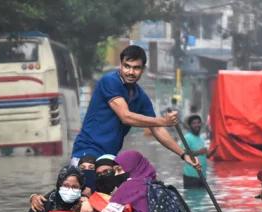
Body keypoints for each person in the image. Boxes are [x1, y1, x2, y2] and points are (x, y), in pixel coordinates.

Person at [70, 45, 200, 169]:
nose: (131, 72)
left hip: (109, 156)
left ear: (143, 70)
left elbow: (157, 129)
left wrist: (183, 154)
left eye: (136, 68)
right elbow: (125, 117)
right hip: (87, 151)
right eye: (127, 66)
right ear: (121, 65)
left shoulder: (140, 96)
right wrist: (162, 121)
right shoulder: (110, 81)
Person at [180, 114, 215, 188]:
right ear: (190, 125)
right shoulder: (187, 137)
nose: (197, 125)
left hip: (202, 176)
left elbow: (205, 156)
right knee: (192, 198)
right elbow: (183, 154)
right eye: (194, 123)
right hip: (191, 177)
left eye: (198, 122)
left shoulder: (201, 138)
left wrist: (214, 150)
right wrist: (199, 152)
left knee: (201, 198)